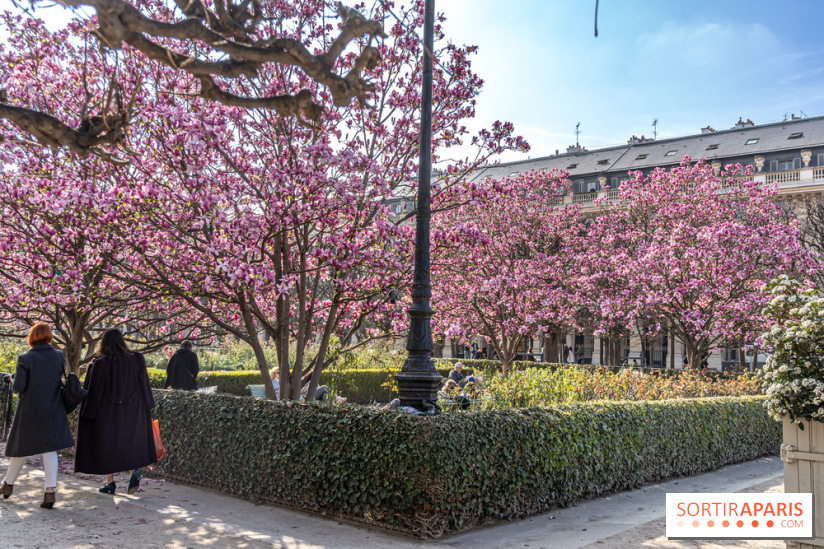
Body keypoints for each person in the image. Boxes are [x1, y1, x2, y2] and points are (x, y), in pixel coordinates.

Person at [75, 328, 156, 495]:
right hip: (133, 411)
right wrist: (148, 405)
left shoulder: (101, 363)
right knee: (130, 442)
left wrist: (87, 414)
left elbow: (94, 392)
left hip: (107, 413)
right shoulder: (137, 359)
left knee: (107, 446)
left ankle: (110, 482)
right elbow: (145, 385)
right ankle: (134, 471)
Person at [2, 322, 75, 509]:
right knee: (49, 450)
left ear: (32, 337)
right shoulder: (59, 356)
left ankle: (7, 485)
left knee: (21, 448)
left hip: (30, 410)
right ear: (49, 336)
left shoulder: (25, 358)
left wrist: (12, 379)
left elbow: (19, 387)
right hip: (53, 408)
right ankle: (50, 491)